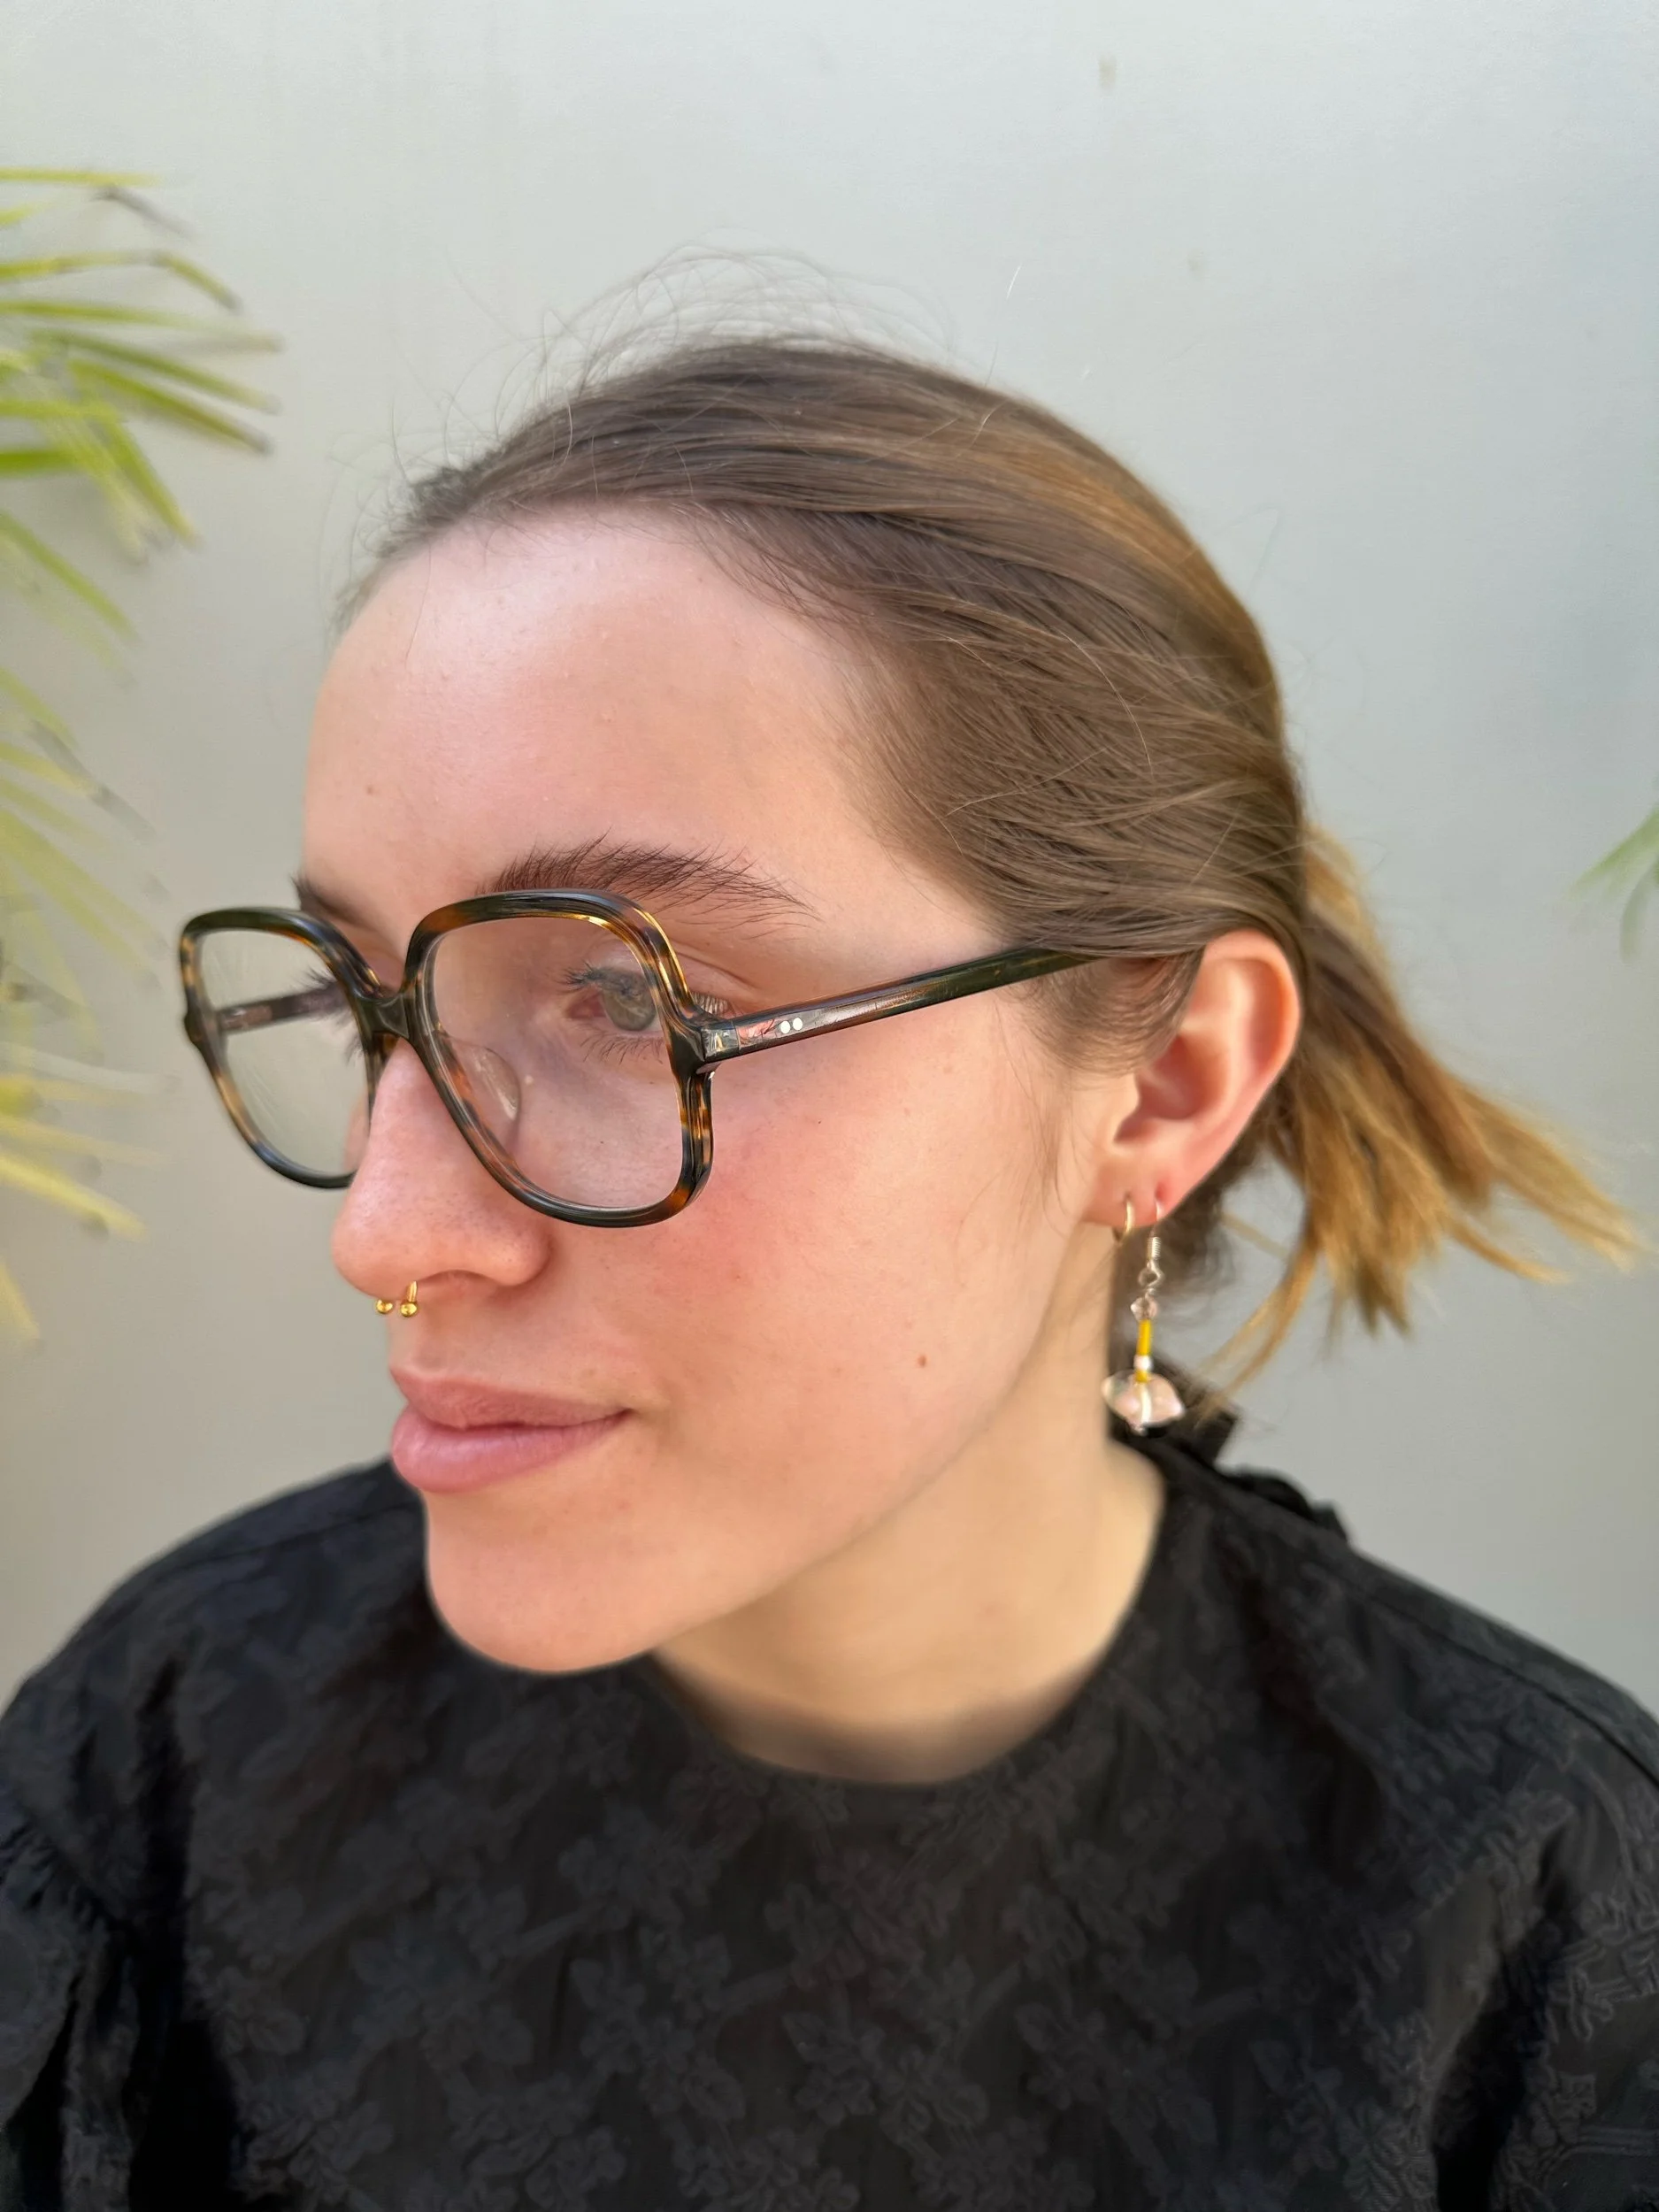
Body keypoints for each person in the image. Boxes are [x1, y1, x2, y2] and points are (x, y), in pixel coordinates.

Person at [2, 334, 1655, 2211]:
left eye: (625, 999)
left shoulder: (1530, 1921)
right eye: (358, 1004)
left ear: (1162, 1084)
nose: (382, 1232)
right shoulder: (170, 1774)